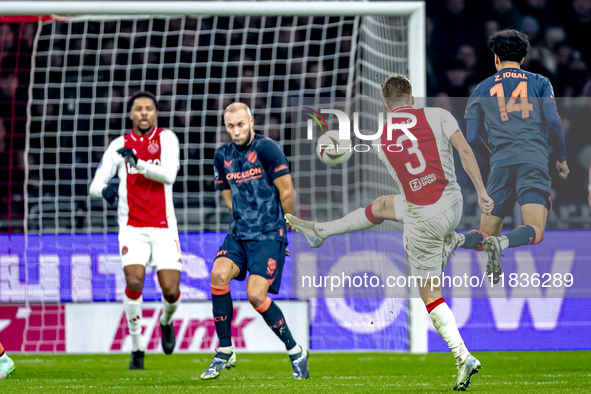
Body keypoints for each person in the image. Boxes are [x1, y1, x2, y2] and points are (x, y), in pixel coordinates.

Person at [287, 74, 493, 391]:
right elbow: (465, 153)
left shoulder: (382, 138)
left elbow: (409, 187)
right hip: (455, 204)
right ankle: (323, 231)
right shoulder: (440, 115)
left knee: (429, 295)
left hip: (424, 220)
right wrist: (480, 192)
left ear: (385, 104)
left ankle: (462, 355)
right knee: (383, 205)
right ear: (411, 98)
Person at [443, 29, 569, 283]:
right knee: (536, 229)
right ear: (523, 59)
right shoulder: (540, 82)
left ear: (496, 58)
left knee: (482, 236)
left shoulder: (481, 87)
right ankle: (503, 243)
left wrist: (494, 158)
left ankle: (457, 238)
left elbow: (472, 137)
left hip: (500, 164)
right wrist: (561, 158)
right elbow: (554, 123)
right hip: (532, 161)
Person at [200, 102, 309, 380]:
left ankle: (296, 351)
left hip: (269, 234)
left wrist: (287, 226)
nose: (236, 131)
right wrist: (240, 216)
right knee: (218, 274)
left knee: (255, 295)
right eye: (230, 126)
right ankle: (225, 350)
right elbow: (225, 190)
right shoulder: (221, 155)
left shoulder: (267, 149)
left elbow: (288, 193)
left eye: (240, 124)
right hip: (239, 234)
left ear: (251, 120)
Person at [89, 91, 182, 370]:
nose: (144, 113)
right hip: (132, 228)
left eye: (149, 109)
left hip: (165, 227)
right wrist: (104, 190)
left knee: (170, 291)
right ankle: (137, 347)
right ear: (131, 114)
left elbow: (169, 175)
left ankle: (166, 321)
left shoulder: (167, 139)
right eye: (139, 109)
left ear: (155, 113)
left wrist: (137, 164)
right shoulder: (119, 145)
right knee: (133, 282)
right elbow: (94, 184)